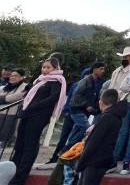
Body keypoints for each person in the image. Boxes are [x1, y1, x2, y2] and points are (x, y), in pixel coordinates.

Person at [10, 57, 67, 185]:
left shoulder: (57, 81)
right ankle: (13, 169)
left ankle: (20, 176)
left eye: (48, 67)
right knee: (20, 143)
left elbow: (52, 98)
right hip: (28, 114)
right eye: (43, 67)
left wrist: (34, 106)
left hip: (39, 116)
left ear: (55, 68)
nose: (45, 70)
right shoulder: (40, 80)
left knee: (30, 144)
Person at [76, 89, 124, 185]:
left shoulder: (106, 117)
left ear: (101, 102)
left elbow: (93, 142)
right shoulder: (117, 117)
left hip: (93, 161)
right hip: (104, 159)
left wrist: (80, 164)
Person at [66, 62, 107, 148]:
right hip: (77, 110)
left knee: (76, 131)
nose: (103, 71)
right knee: (86, 129)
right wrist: (87, 105)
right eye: (101, 69)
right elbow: (76, 95)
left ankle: (67, 152)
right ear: (95, 69)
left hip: (85, 112)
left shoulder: (99, 82)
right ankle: (68, 147)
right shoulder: (85, 81)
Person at [0, 68, 29, 142]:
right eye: (11, 75)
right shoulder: (6, 86)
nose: (12, 77)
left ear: (22, 77)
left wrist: (3, 98)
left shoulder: (25, 86)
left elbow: (16, 97)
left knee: (5, 138)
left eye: (15, 76)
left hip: (11, 114)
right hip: (1, 112)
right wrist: (6, 98)